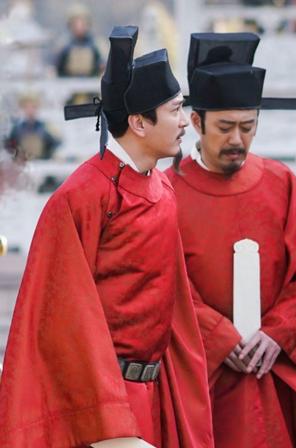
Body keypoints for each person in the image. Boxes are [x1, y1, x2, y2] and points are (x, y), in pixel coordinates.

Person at [0, 26, 213, 448]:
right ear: (138, 122)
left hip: (153, 393)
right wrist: (108, 418)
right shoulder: (82, 196)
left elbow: (174, 305)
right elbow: (64, 319)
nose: (186, 121)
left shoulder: (161, 185)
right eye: (175, 110)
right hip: (100, 407)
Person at [165, 32, 296, 448]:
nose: (237, 140)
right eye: (225, 128)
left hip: (273, 361)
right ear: (197, 122)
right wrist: (220, 336)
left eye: (248, 127)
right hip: (203, 368)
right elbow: (164, 277)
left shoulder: (280, 183)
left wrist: (277, 332)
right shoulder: (166, 192)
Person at [5, 92, 60, 161]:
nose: (30, 110)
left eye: (33, 107)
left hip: (41, 163)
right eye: (27, 107)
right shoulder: (17, 129)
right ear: (23, 108)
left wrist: (47, 155)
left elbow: (55, 143)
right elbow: (10, 147)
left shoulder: (45, 127)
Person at [56, 3, 103, 77]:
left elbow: (100, 64)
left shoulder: (94, 45)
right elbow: (59, 68)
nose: (79, 27)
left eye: (82, 23)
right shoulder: (65, 46)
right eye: (75, 24)